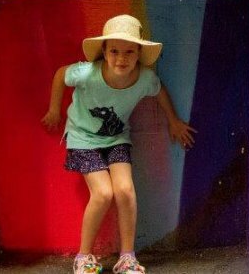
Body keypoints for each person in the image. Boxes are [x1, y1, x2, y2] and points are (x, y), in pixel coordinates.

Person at [41, 14, 196, 274]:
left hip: (116, 138)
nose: (121, 59)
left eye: (128, 52)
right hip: (82, 138)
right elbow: (60, 75)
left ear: (138, 53)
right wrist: (55, 110)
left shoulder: (144, 78)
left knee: (124, 189)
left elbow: (159, 90)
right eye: (114, 51)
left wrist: (173, 121)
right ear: (104, 51)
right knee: (103, 193)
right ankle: (83, 256)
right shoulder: (87, 73)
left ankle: (127, 257)